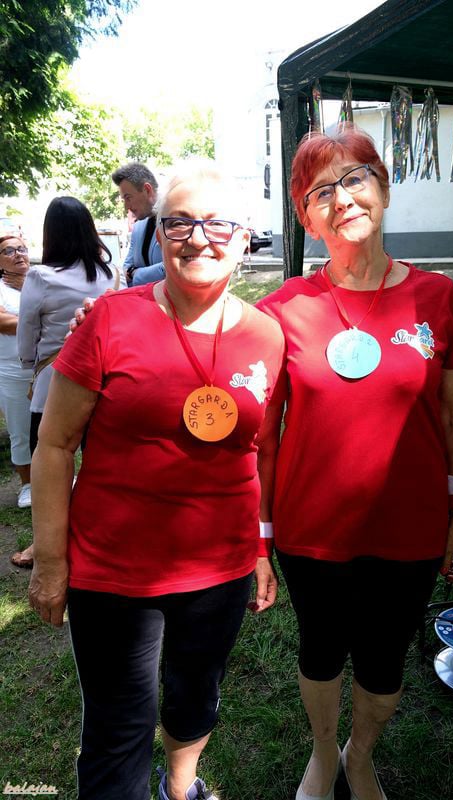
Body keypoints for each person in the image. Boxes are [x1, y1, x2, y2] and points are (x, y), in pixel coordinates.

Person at [28, 161, 285, 800]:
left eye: (217, 224)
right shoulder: (109, 320)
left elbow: (259, 453)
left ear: (244, 236)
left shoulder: (267, 336)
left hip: (219, 568)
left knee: (196, 696)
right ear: (158, 231)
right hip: (114, 571)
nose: (199, 238)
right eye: (180, 223)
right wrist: (52, 562)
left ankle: (182, 784)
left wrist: (259, 550)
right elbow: (54, 446)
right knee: (118, 725)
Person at [256, 127, 453, 800]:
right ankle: (324, 752)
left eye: (355, 178)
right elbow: (262, 439)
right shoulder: (282, 310)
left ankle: (361, 754)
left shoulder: (436, 296)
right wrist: (260, 537)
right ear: (307, 218)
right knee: (321, 652)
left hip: (409, 530)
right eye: (321, 190)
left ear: (383, 188)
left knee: (384, 665)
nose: (343, 197)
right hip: (311, 531)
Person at [15, 197, 123, 569]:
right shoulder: (111, 274)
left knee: (47, 463)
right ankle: (98, 535)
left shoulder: (41, 276)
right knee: (100, 463)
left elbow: (27, 329)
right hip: (102, 378)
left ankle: (42, 544)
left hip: (53, 379)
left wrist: (29, 365)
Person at [0, 235, 33, 517]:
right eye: (8, 251)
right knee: (20, 430)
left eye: (21, 248)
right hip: (13, 370)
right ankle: (27, 485)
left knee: (52, 427)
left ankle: (58, 477)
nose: (18, 254)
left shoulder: (40, 280)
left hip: (47, 367)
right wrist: (41, 320)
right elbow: (3, 322)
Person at [112, 161, 165, 286]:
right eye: (124, 200)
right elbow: (126, 270)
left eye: (128, 198)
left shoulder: (177, 220)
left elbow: (171, 267)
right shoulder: (138, 227)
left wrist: (135, 273)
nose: (126, 206)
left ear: (147, 190)